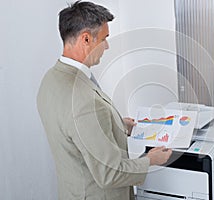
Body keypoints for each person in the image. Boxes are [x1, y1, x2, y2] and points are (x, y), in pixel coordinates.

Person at [37, 1, 172, 200]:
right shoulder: (84, 102)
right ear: (85, 39)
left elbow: (74, 132)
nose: (107, 46)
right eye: (104, 39)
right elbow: (110, 173)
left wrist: (117, 124)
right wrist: (150, 160)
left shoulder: (51, 79)